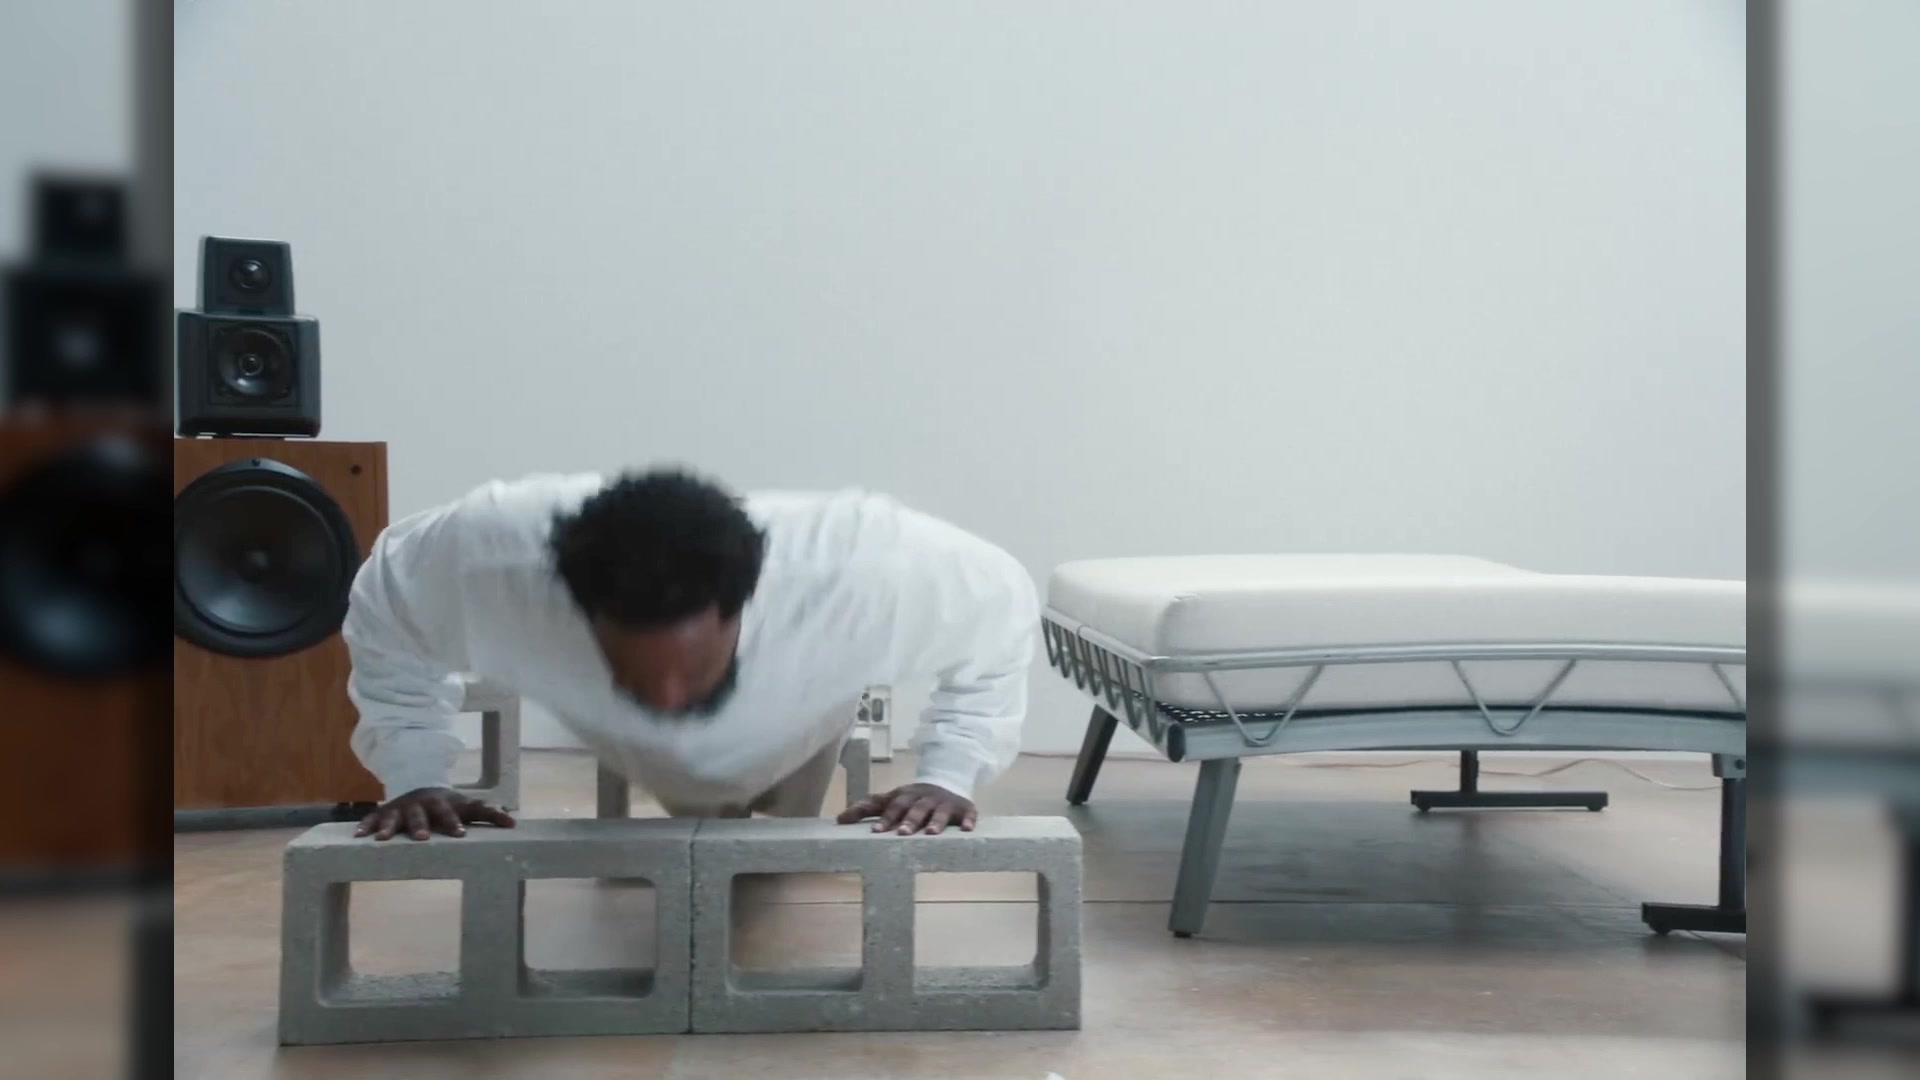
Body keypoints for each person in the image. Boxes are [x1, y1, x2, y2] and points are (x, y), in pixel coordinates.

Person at [344, 467, 1038, 842]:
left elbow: (1003, 610)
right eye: (636, 672)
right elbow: (385, 617)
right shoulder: (487, 557)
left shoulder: (868, 567)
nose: (668, 696)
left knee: (768, 848)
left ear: (742, 605)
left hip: (801, 715)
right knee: (687, 772)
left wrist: (951, 772)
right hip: (623, 743)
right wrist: (413, 773)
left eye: (689, 669)